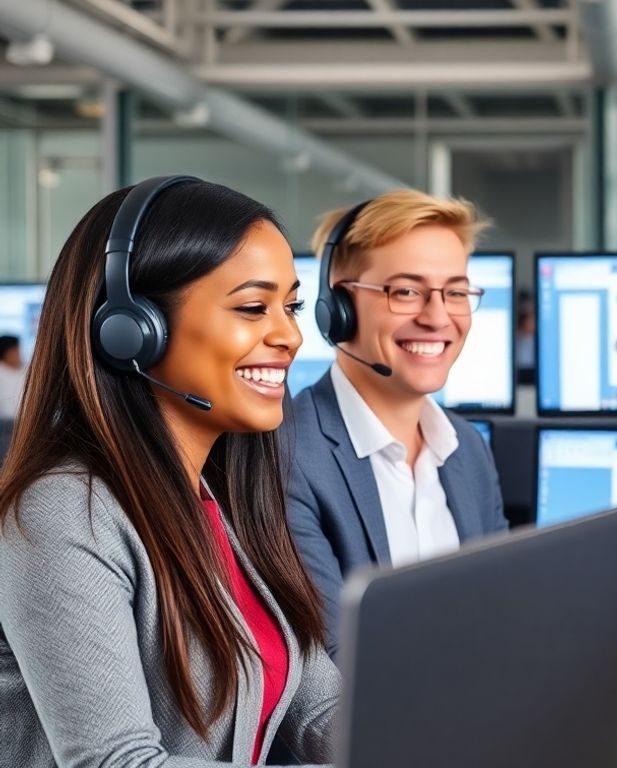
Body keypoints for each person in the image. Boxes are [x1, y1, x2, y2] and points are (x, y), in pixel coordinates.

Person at [0, 177, 339, 765]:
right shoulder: (62, 513)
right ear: (130, 331)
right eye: (254, 307)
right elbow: (119, 763)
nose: (289, 335)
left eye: (291, 306)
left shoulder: (214, 500)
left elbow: (318, 711)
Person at [285, 189, 508, 658]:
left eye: (456, 292)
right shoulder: (288, 456)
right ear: (338, 310)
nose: (438, 317)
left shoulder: (467, 448)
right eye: (406, 291)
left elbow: (504, 622)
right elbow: (340, 664)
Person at [0, 334, 26, 418]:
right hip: (6, 423)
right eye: (14, 351)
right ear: (5, 353)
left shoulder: (26, 368)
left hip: (28, 418)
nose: (18, 354)